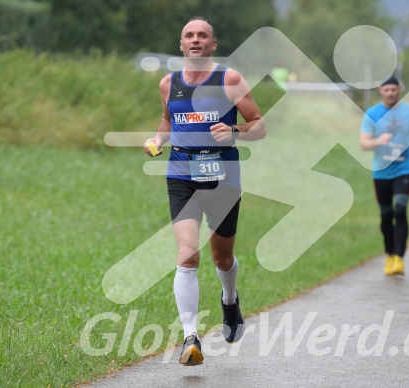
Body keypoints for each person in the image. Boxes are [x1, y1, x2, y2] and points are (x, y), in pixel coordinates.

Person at [144, 16, 266, 366]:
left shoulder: (229, 79)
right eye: (189, 35)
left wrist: (236, 132)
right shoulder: (169, 83)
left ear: (213, 44)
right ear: (181, 45)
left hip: (223, 175)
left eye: (202, 36)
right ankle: (190, 338)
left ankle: (230, 301)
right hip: (181, 173)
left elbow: (260, 125)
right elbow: (167, 122)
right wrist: (156, 139)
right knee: (187, 255)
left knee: (221, 257)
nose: (195, 40)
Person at [359, 76, 409, 276]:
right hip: (381, 171)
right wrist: (378, 141)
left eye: (393, 89)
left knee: (400, 210)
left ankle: (399, 257)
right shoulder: (372, 113)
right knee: (385, 215)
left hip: (404, 169)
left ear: (400, 89)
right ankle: (389, 255)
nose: (390, 93)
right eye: (386, 90)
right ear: (380, 91)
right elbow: (364, 143)